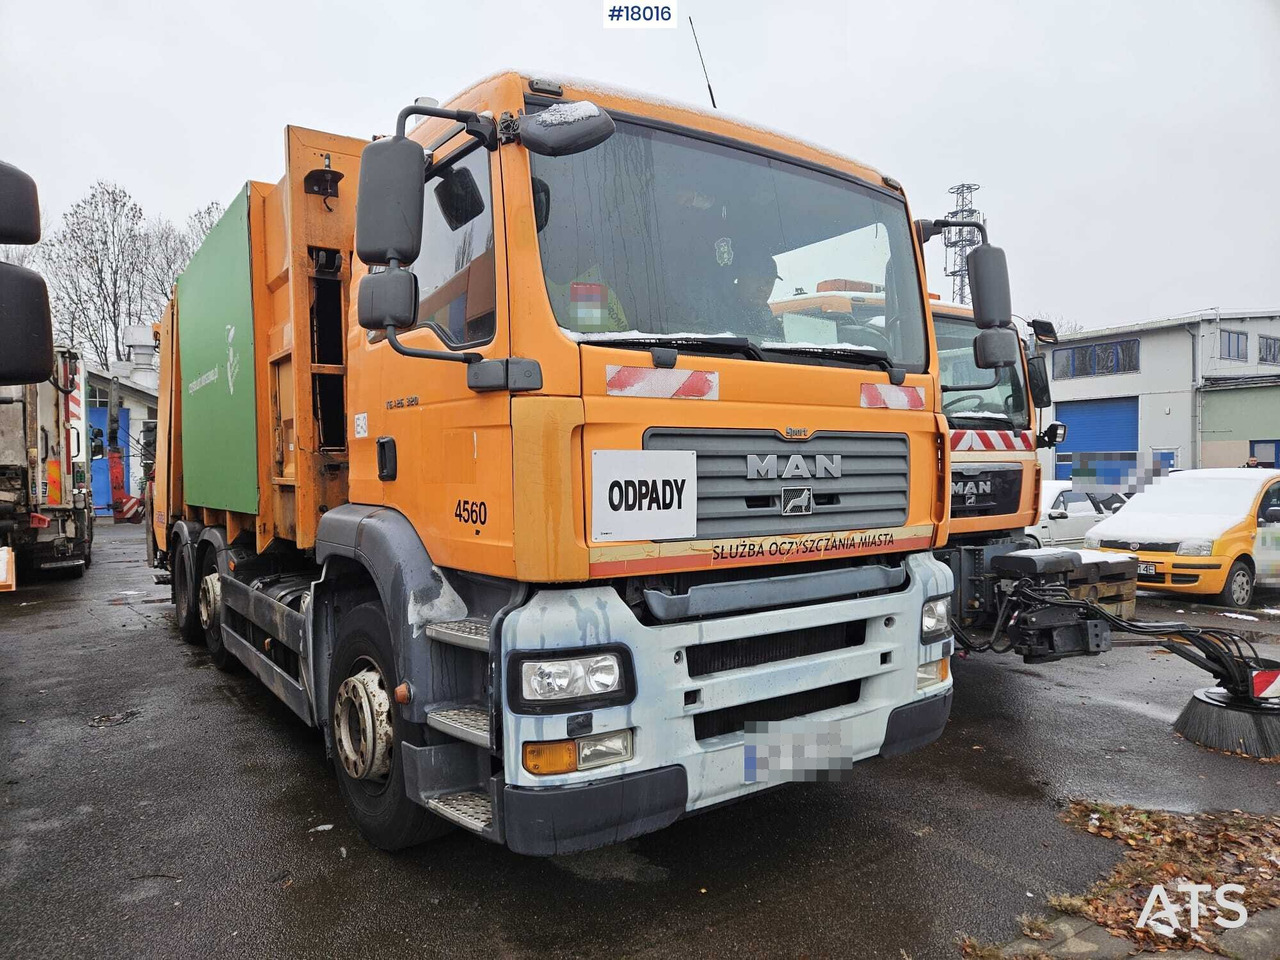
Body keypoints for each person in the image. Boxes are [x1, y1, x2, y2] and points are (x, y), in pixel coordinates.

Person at [728, 250, 785, 342]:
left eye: (769, 282)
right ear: (741, 278)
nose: (763, 288)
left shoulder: (767, 317)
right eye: (757, 279)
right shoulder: (717, 310)